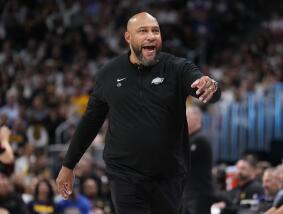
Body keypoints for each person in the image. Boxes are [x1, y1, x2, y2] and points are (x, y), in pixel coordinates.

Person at [56, 12, 221, 214]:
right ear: (128, 37)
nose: (151, 36)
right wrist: (68, 165)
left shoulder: (177, 67)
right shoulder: (109, 73)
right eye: (143, 31)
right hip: (124, 175)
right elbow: (90, 122)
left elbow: (205, 86)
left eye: (156, 31)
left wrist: (211, 86)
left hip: (169, 177)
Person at [181, 105, 214, 214]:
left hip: (199, 195)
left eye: (186, 117)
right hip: (188, 194)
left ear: (196, 119)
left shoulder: (200, 140)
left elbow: (181, 160)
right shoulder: (189, 139)